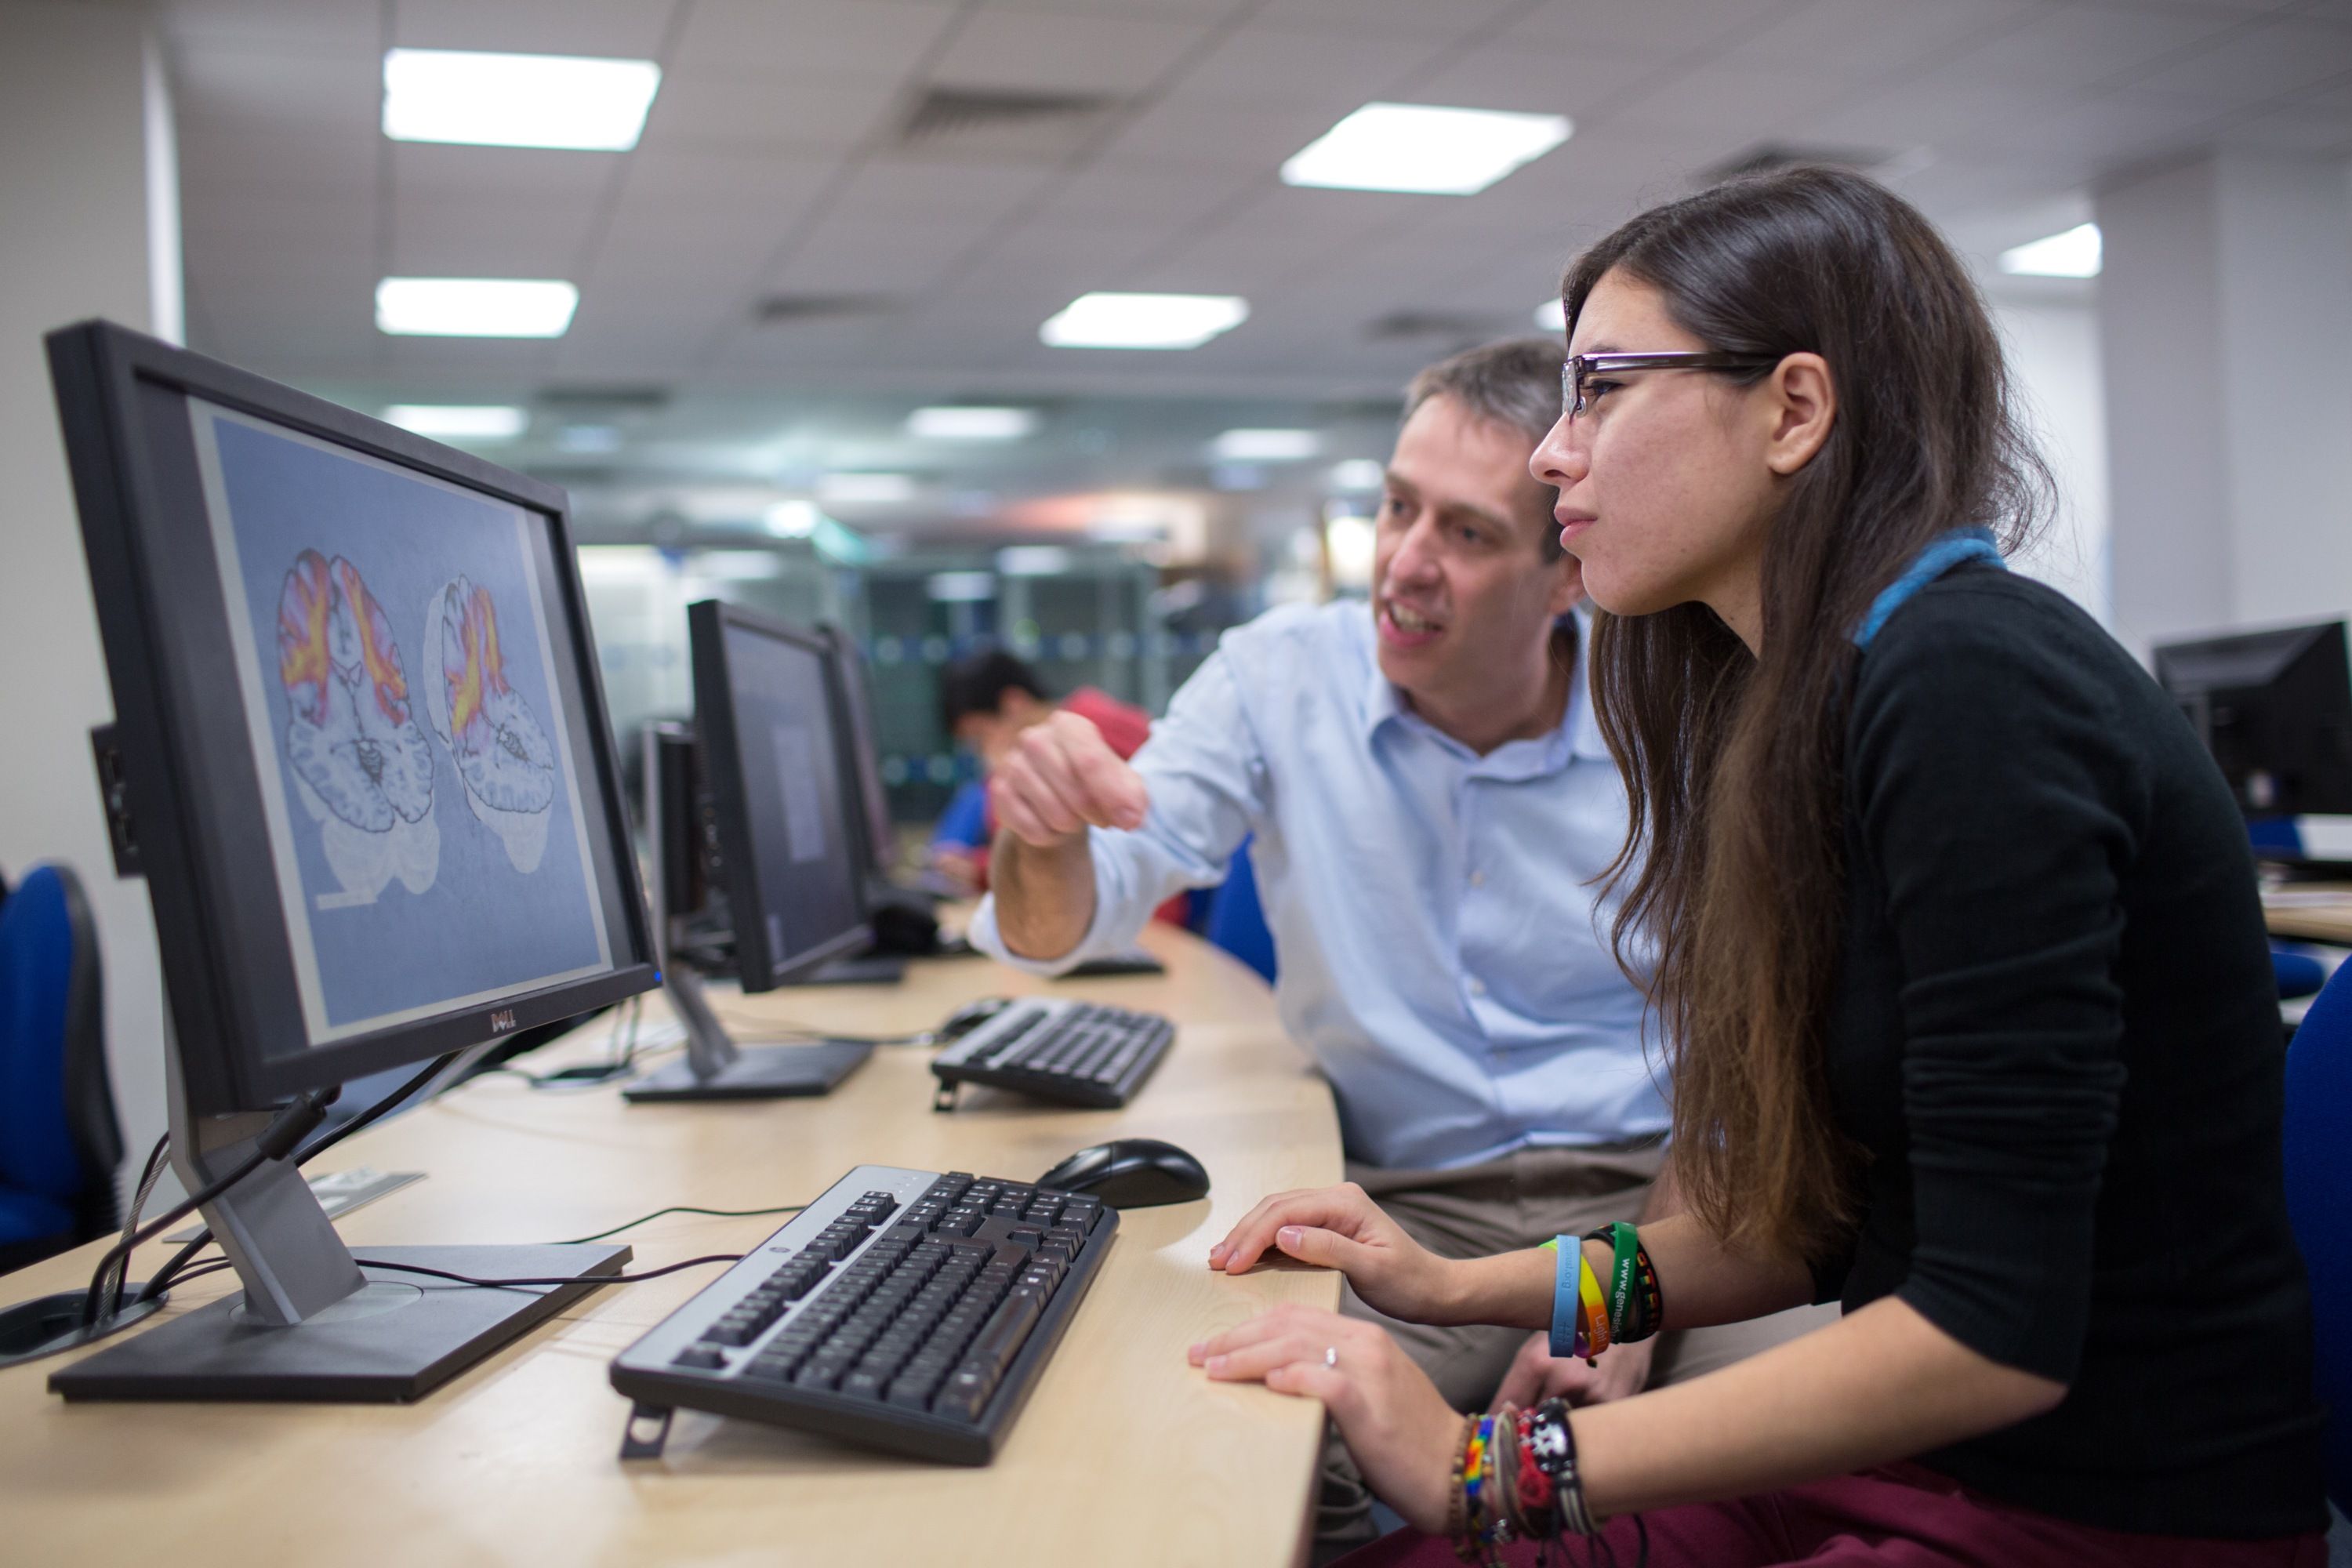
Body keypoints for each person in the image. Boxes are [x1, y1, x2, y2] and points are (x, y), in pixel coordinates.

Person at [1189, 167, 2329, 1566]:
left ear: (1794, 411)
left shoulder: (1972, 684)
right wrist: (1459, 1286)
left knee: (1442, 1534)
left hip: (2092, 1516)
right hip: (1916, 1464)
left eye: (1601, 387)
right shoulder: (1812, 696)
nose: (1555, 454)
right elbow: (1811, 1229)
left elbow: (1990, 1335)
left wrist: (1498, 1464)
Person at [967, 339, 1830, 1555]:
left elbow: (1748, 1043)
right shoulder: (1278, 679)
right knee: (1235, 1451)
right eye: (1396, 507)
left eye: (1469, 535)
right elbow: (1070, 919)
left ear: (1563, 571)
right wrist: (1043, 837)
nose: (1405, 564)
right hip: (1422, 1214)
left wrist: (1611, 1315)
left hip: (1685, 1195)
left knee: (1837, 1454)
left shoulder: (1683, 705)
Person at [926, 650, 1154, 903]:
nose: (982, 751)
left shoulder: (1097, 724)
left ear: (1013, 705)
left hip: (1138, 907)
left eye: (981, 736)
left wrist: (979, 868)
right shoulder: (1032, 755)